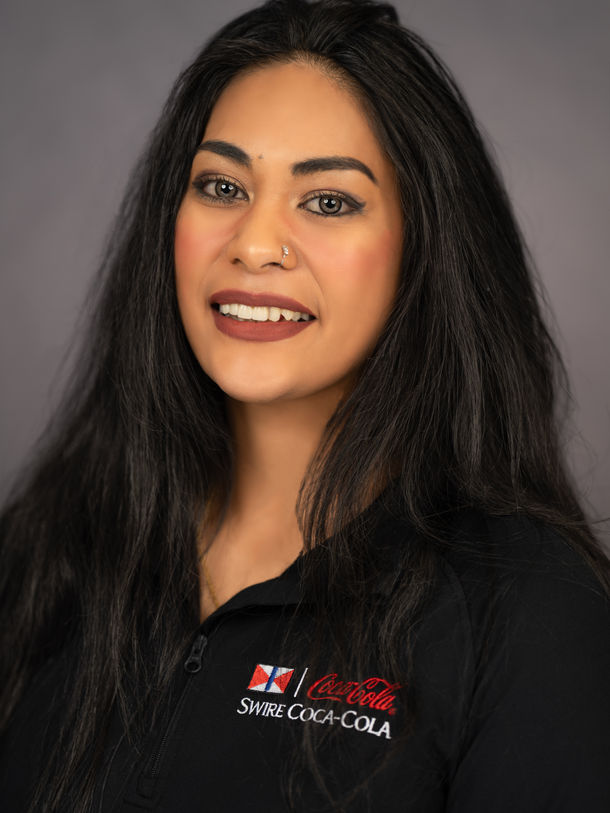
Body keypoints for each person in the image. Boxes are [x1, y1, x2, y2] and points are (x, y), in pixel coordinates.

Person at [1, 0, 609, 810]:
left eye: (328, 200)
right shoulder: (44, 549)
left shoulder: (530, 613)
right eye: (221, 185)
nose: (254, 243)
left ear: (426, 248)